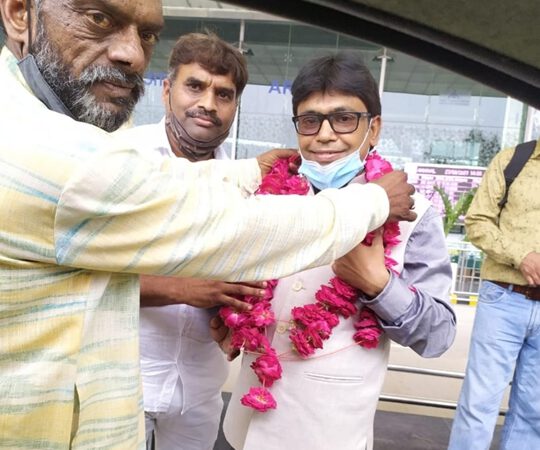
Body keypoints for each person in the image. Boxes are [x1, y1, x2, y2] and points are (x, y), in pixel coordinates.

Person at [0, 1, 417, 448]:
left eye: (146, 36)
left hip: (219, 397)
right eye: (99, 18)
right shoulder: (71, 156)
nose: (131, 55)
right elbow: (233, 228)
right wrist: (373, 201)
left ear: (373, 129)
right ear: (20, 13)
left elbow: (178, 188)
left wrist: (248, 176)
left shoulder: (42, 126)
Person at [221, 53, 456, 450]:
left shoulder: (413, 215)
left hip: (329, 431)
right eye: (310, 120)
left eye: (344, 119)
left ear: (374, 128)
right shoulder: (265, 195)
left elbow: (439, 335)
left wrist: (379, 285)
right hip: (242, 426)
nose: (325, 135)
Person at [118, 32, 257, 450]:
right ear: (166, 90)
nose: (208, 104)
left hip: (199, 390)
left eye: (224, 94)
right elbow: (87, 276)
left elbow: (245, 285)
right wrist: (186, 289)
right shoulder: (123, 158)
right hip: (121, 383)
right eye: (194, 86)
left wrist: (239, 318)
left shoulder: (245, 188)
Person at [448, 140, 540, 449]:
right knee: (479, 403)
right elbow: (477, 222)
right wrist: (521, 255)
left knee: (535, 411)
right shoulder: (514, 160)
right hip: (504, 297)